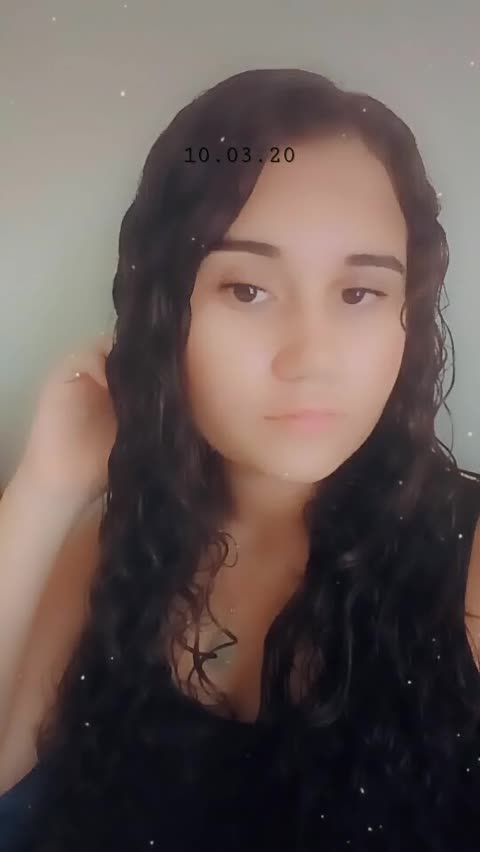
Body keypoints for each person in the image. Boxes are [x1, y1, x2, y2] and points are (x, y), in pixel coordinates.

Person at [0, 66, 479, 852]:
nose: (311, 357)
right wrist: (45, 488)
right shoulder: (114, 548)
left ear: (409, 316)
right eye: (248, 290)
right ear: (166, 311)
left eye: (359, 293)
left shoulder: (468, 561)